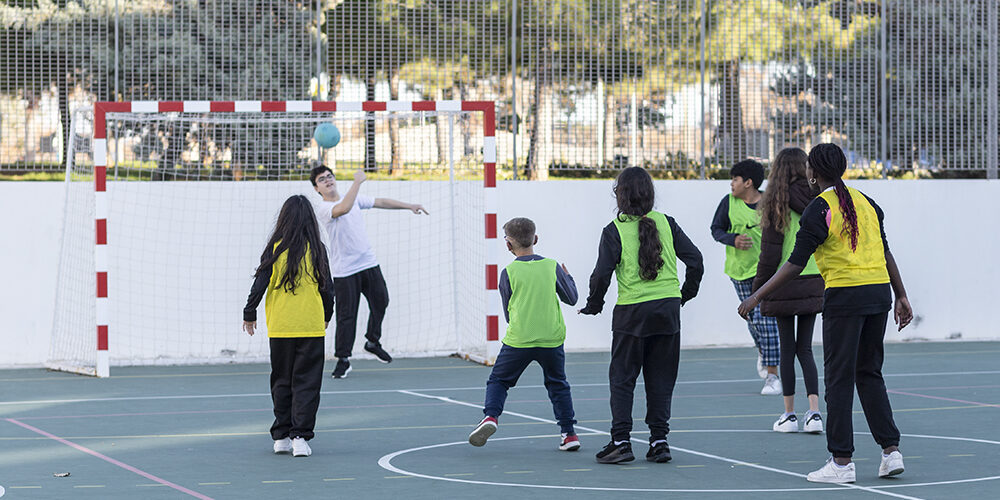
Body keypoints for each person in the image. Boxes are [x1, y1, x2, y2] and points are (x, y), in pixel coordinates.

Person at [739, 143, 913, 484]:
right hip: (878, 293)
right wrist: (901, 295)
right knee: (869, 373)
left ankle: (842, 461)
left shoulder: (820, 209)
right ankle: (891, 452)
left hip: (846, 297)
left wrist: (756, 296)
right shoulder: (866, 202)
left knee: (838, 378)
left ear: (813, 172)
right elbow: (886, 253)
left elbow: (794, 263)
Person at [580, 167, 704, 465]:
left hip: (632, 312)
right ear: (650, 194)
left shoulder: (614, 230)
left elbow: (601, 275)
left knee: (622, 378)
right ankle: (659, 442)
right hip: (667, 311)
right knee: (661, 378)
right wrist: (684, 295)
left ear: (619, 194)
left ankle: (621, 442)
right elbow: (696, 260)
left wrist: (594, 304)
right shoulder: (667, 224)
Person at [468, 217, 581, 451]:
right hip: (551, 338)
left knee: (499, 380)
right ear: (536, 239)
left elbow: (508, 309)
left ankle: (490, 417)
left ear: (508, 245)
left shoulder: (508, 272)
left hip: (520, 339)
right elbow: (572, 299)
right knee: (558, 384)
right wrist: (568, 277)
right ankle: (569, 434)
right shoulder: (552, 266)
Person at [309, 166, 428, 378]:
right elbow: (342, 209)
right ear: (317, 188)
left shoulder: (352, 197)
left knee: (381, 301)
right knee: (347, 317)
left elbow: (380, 202)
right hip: (345, 271)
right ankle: (343, 360)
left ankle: (372, 341)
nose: (327, 180)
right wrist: (357, 181)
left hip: (368, 264)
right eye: (322, 179)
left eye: (330, 176)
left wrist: (409, 205)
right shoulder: (323, 209)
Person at [243, 194, 335, 458]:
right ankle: (300, 438)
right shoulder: (317, 248)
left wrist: (249, 312)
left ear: (283, 219)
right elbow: (327, 287)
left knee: (281, 380)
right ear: (310, 220)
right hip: (310, 326)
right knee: (307, 383)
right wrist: (327, 314)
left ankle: (281, 435)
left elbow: (259, 283)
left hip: (281, 327)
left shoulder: (275, 248)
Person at [752, 148, 825, 434]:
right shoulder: (817, 200)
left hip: (784, 281)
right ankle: (815, 413)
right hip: (813, 279)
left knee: (787, 350)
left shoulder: (776, 203)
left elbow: (769, 255)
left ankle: (789, 414)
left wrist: (758, 291)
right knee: (805, 349)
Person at [711, 159, 782, 395]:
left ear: (748, 182)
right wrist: (733, 240)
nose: (731, 183)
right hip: (738, 271)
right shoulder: (728, 202)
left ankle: (773, 375)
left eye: (735, 179)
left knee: (765, 319)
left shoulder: (770, 204)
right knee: (753, 319)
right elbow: (716, 230)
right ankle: (764, 351)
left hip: (766, 273)